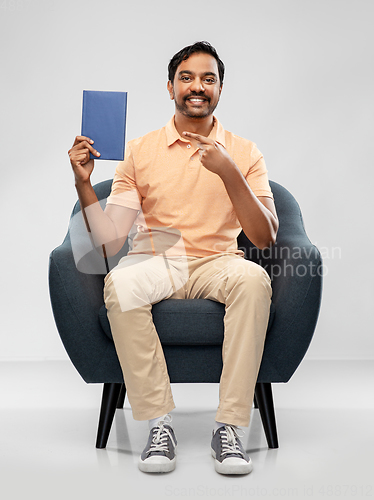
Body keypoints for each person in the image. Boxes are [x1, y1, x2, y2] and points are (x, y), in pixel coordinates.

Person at [68, 41, 278, 475]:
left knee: (254, 280)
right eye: (186, 78)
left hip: (218, 261)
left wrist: (228, 171)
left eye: (208, 79)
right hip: (157, 257)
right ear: (170, 88)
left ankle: (230, 428)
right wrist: (84, 184)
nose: (197, 87)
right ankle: (159, 422)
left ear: (220, 89)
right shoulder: (139, 152)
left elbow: (264, 236)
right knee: (121, 284)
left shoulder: (246, 152)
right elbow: (109, 245)